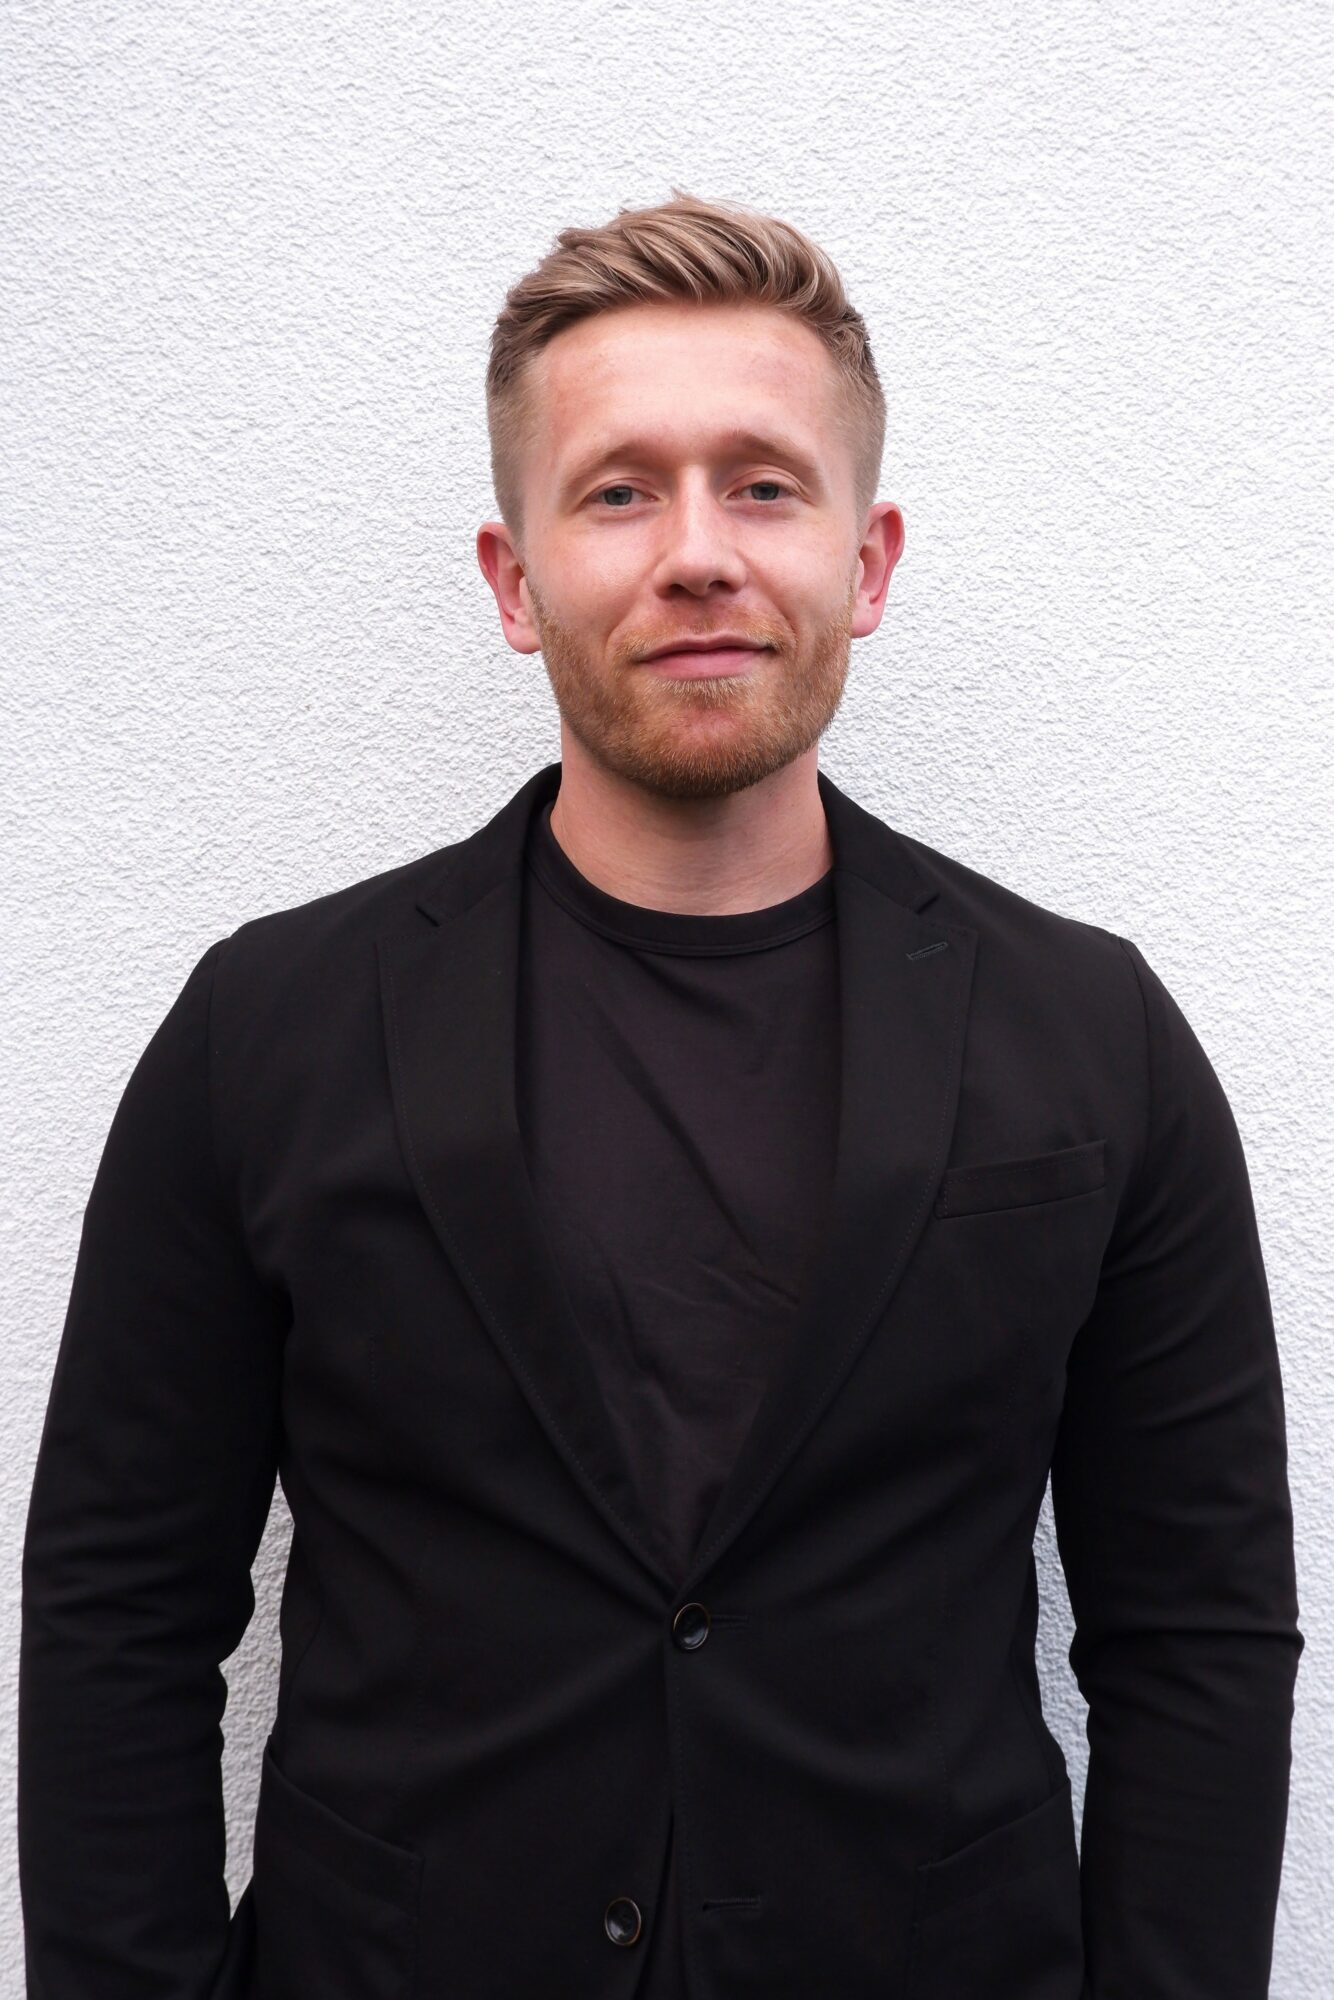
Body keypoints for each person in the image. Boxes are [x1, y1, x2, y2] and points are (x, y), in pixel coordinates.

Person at [19, 191, 1303, 2000]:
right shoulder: (269, 1029)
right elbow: (116, 1616)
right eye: (618, 490)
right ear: (513, 577)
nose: (696, 551)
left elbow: (1196, 1635)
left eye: (762, 485)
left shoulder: (1093, 1034)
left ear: (866, 561)